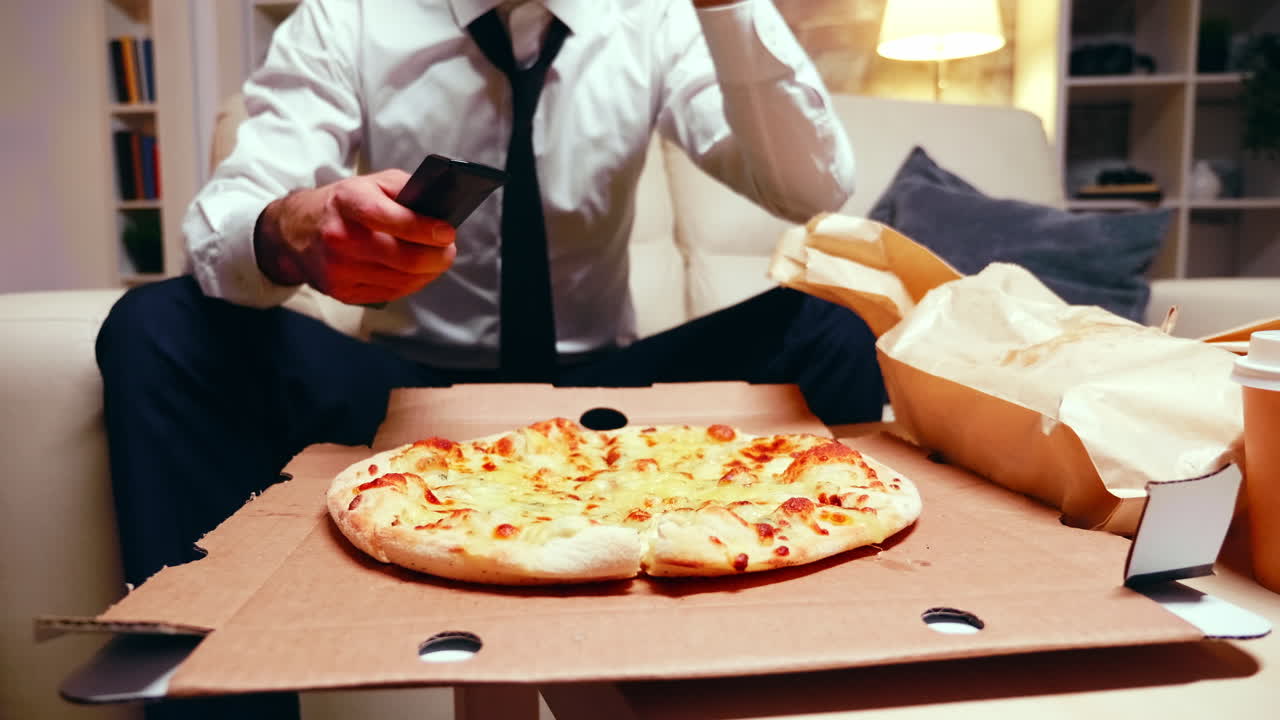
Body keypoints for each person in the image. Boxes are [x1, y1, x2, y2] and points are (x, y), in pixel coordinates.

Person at [95, 1, 881, 716]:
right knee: (157, 327)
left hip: (618, 409)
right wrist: (291, 230)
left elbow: (814, 190)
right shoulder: (350, 17)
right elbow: (229, 218)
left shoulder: (655, 18)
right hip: (411, 400)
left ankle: (795, 678)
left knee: (831, 325)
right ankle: (212, 695)